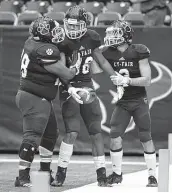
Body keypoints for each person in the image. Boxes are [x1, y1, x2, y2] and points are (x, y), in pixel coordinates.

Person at [51, 5, 120, 187]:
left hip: (87, 86)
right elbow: (62, 70)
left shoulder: (92, 37)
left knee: (96, 132)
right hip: (70, 87)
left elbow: (102, 60)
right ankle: (60, 173)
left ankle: (101, 175)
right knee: (72, 132)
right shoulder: (62, 40)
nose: (72, 29)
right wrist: (70, 88)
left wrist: (116, 77)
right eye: (70, 25)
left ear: (85, 25)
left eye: (76, 26)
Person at [15, 16, 84, 187]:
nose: (57, 33)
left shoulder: (32, 42)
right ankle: (22, 177)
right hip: (34, 97)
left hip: (38, 96)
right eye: (53, 31)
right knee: (32, 137)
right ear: (43, 34)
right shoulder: (45, 50)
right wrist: (75, 65)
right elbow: (67, 74)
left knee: (50, 134)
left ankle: (45, 172)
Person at [100, 19, 158, 187]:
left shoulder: (138, 51)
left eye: (115, 33)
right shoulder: (108, 52)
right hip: (123, 101)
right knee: (114, 136)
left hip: (139, 99)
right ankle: (117, 174)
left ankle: (152, 176)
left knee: (145, 136)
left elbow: (147, 80)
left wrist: (127, 81)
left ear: (125, 35)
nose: (111, 36)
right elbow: (97, 67)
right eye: (110, 33)